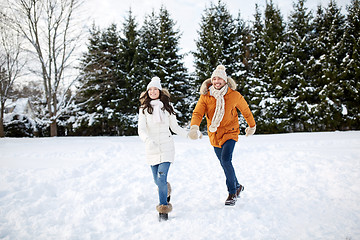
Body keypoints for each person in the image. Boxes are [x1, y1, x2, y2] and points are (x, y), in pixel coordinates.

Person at [188, 65, 256, 206]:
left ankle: (232, 193)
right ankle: (237, 186)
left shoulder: (234, 95)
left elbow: (246, 110)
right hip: (214, 134)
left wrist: (252, 126)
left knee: (226, 160)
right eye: (214, 78)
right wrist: (194, 127)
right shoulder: (206, 96)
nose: (216, 81)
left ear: (225, 80)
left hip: (230, 132)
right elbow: (197, 113)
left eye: (219, 78)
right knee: (225, 163)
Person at [138, 76, 188, 221]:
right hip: (151, 148)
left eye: (155, 89)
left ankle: (163, 209)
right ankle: (166, 189)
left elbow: (175, 127)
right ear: (147, 92)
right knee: (157, 181)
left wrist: (188, 135)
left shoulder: (168, 108)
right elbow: (141, 129)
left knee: (161, 177)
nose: (153, 91)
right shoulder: (143, 109)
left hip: (166, 147)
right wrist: (147, 140)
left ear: (160, 91)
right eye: (150, 89)